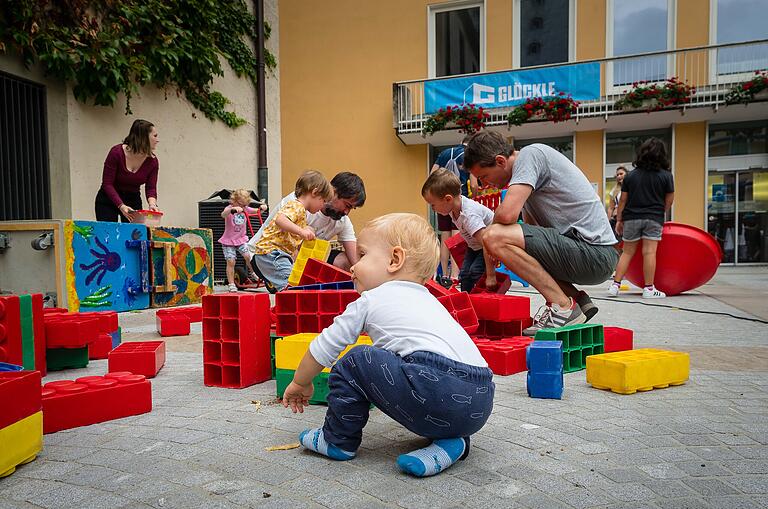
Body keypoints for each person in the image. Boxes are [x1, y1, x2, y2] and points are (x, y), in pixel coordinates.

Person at [281, 213, 494, 477]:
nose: (352, 266)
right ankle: (453, 443)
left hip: (436, 387)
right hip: (480, 400)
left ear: (395, 260)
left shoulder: (371, 299)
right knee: (401, 364)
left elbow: (325, 345)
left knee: (354, 359)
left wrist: (301, 382)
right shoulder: (429, 300)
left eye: (362, 255)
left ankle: (337, 440)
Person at [463, 131, 619, 334]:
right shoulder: (526, 182)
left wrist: (492, 242)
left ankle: (563, 307)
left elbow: (507, 216)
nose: (484, 185)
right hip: (588, 254)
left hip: (595, 253)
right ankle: (577, 300)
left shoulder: (530, 155)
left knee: (493, 235)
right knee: (507, 242)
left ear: (500, 161)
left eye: (484, 176)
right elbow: (530, 239)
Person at [248, 172, 366, 270]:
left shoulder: (342, 221)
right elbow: (282, 225)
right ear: (334, 192)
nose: (346, 212)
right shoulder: (299, 202)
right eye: (347, 205)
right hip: (267, 253)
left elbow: (354, 259)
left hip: (300, 256)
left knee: (346, 261)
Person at [608, 138, 675, 299]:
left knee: (627, 252)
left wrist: (619, 220)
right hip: (654, 218)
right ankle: (649, 289)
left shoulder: (631, 176)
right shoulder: (666, 176)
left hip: (631, 218)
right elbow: (669, 200)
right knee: (649, 252)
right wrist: (660, 212)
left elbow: (622, 200)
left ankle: (615, 286)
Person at [250, 171, 333, 292]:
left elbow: (289, 234)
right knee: (291, 288)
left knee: (291, 285)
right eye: (323, 201)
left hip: (272, 254)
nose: (323, 206)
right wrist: (301, 231)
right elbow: (280, 219)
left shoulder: (300, 211)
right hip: (272, 253)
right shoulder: (297, 206)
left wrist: (305, 231)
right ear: (314, 192)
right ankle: (289, 308)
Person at [422, 169, 494, 293]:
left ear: (448, 199)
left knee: (475, 272)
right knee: (465, 274)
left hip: (489, 246)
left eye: (433, 204)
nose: (433, 209)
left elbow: (488, 243)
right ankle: (466, 300)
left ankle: (478, 300)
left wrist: (491, 275)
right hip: (475, 246)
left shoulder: (469, 216)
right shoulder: (452, 208)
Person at [430, 136, 480, 286]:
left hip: (440, 200)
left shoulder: (445, 153)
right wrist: (474, 198)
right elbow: (475, 184)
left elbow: (432, 174)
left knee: (445, 237)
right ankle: (455, 275)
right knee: (457, 237)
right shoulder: (468, 155)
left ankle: (444, 273)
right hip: (459, 199)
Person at [95, 119, 160, 222]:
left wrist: (152, 204)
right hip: (109, 199)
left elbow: (151, 188)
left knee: (134, 234)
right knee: (109, 235)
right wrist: (121, 205)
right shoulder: (116, 153)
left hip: (132, 198)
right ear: (143, 137)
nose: (158, 140)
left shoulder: (153, 161)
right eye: (155, 136)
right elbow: (107, 184)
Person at [219, 189, 261, 292]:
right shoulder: (229, 208)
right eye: (241, 205)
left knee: (248, 256)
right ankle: (231, 283)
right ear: (234, 200)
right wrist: (231, 210)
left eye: (244, 205)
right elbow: (223, 214)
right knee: (231, 261)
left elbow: (256, 211)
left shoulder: (245, 208)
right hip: (229, 241)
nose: (242, 207)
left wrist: (262, 208)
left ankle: (254, 273)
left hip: (241, 239)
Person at [608, 166, 628, 239]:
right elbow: (610, 208)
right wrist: (608, 220)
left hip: (627, 219)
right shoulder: (614, 190)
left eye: (621, 174)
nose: (619, 176)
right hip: (616, 219)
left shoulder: (632, 187)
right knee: (616, 241)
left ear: (626, 174)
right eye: (617, 175)